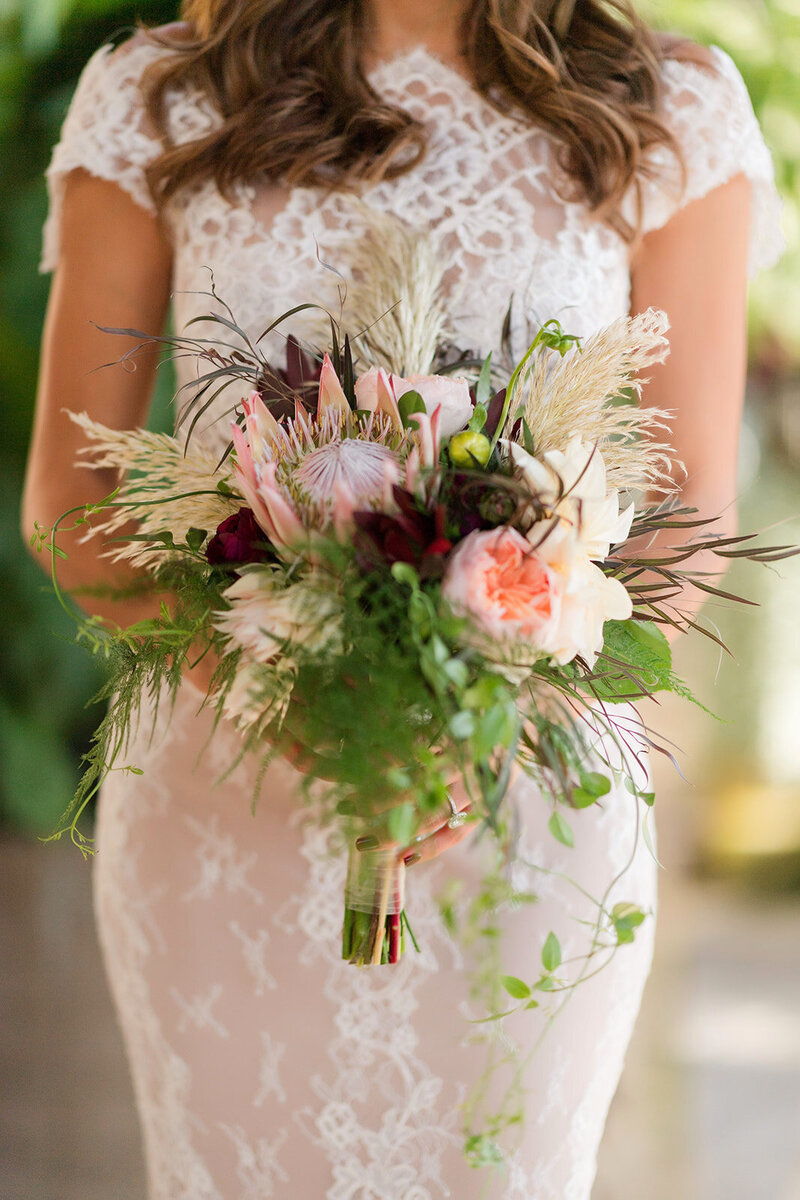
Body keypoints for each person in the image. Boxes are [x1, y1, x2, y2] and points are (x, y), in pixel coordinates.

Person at [23, 1, 783, 1197]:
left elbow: (684, 513)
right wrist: (284, 694)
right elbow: (68, 498)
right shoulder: (161, 95)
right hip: (224, 786)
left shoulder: (667, 107)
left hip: (531, 793)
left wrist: (484, 721)